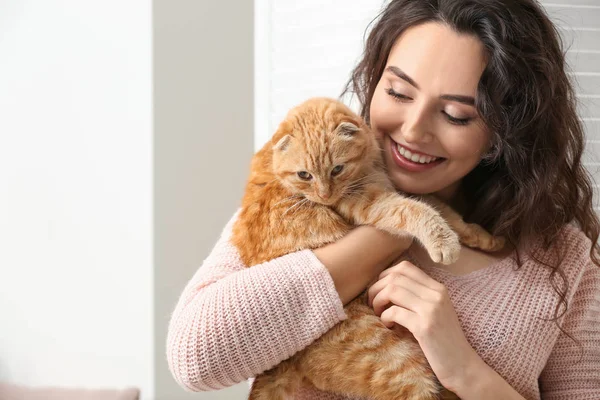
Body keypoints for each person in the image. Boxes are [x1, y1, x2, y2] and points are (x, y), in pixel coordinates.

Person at [166, 0, 600, 399]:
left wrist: (466, 371)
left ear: (503, 134)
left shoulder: (562, 259)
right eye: (397, 92)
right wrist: (386, 233)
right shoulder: (294, 196)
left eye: (455, 115)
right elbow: (195, 357)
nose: (412, 130)